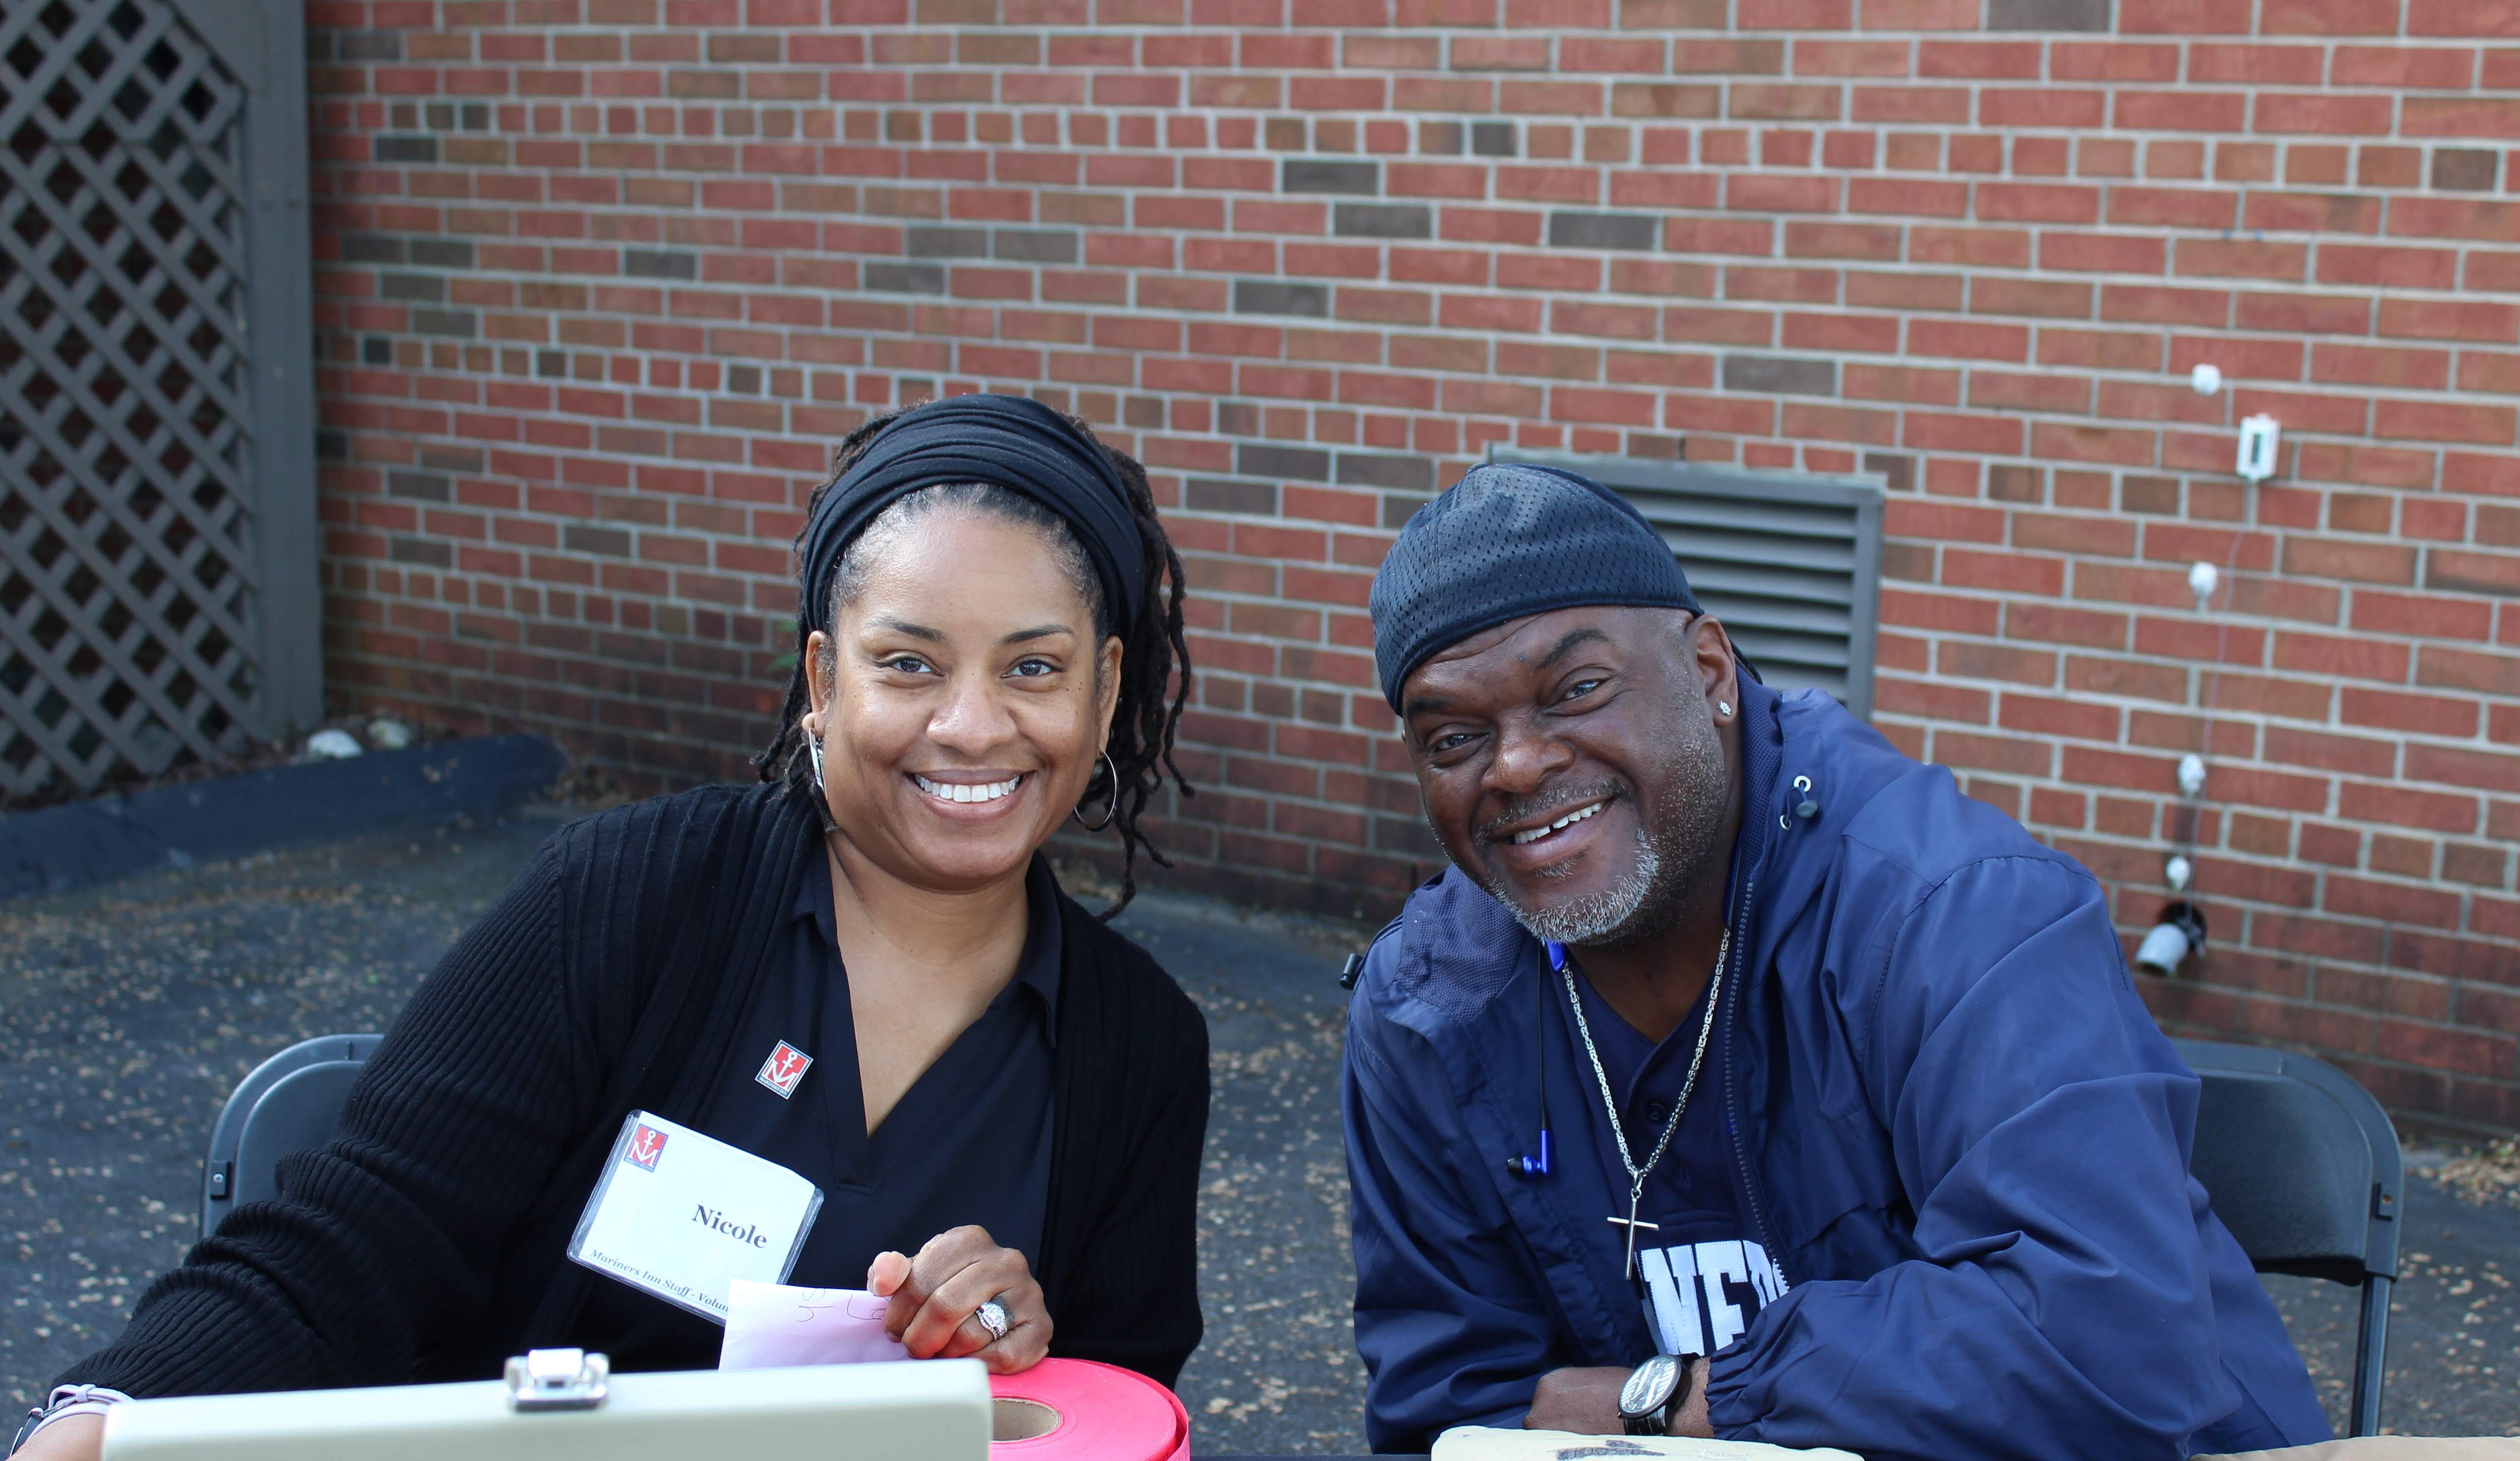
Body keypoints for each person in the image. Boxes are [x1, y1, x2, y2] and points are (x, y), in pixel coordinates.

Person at [13, 394, 1209, 1458]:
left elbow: (1123, 1407)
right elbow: (356, 1238)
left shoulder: (1137, 1048)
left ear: (1103, 691)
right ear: (821, 681)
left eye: (1033, 669)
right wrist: (101, 1418)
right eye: (906, 663)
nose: (969, 725)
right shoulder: (637, 899)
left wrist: (1020, 1349)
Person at [1341, 462, 2330, 1458]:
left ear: (1710, 675)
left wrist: (1675, 1395)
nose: (1514, 765)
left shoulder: (1954, 912)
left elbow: (2107, 1345)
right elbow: (1450, 1409)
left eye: (1578, 688)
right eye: (1454, 736)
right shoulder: (1429, 1007)